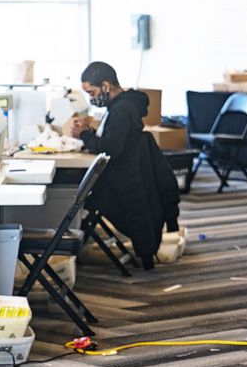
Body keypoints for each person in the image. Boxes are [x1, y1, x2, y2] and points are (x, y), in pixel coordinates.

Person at [70, 61, 180, 270]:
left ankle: (71, 250)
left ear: (105, 86)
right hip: (128, 175)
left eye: (92, 93)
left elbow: (110, 147)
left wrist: (83, 134)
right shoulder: (125, 105)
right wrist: (90, 132)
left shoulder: (121, 110)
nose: (92, 99)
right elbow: (115, 140)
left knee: (79, 196)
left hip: (123, 182)